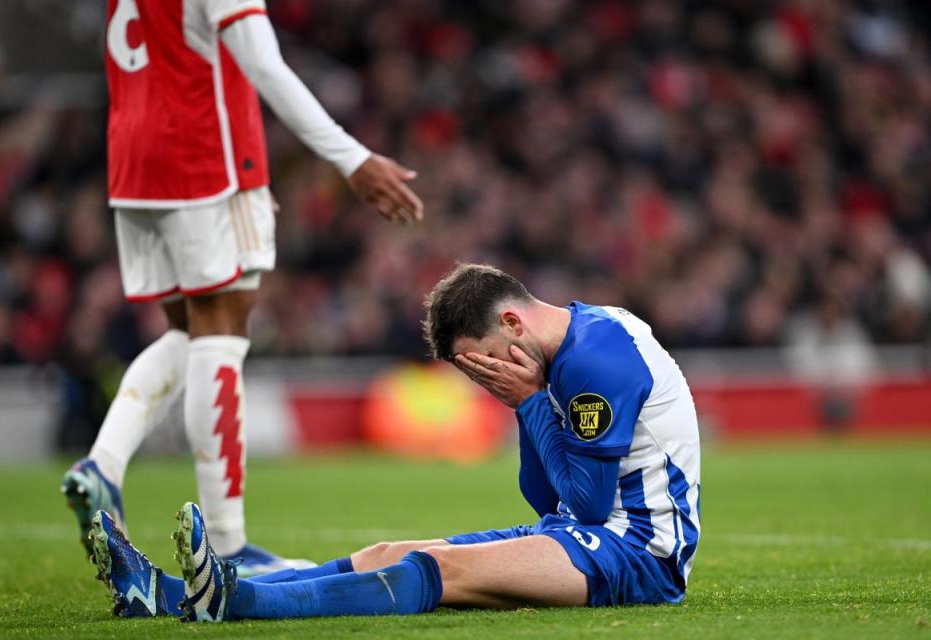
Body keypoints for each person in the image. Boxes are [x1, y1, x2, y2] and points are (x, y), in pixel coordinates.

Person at [86, 263, 701, 620]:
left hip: (641, 553)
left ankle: (233, 601)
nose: (484, 377)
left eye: (479, 362)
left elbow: (590, 507)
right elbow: (548, 501)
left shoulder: (595, 362)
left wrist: (530, 403)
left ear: (512, 322)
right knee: (384, 551)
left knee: (436, 568)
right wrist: (528, 406)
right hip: (582, 532)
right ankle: (167, 594)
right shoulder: (557, 352)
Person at [61, 0, 424, 580]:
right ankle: (228, 548)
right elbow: (263, 63)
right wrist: (351, 159)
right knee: (222, 333)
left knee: (189, 331)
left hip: (135, 163)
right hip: (202, 158)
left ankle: (102, 466)